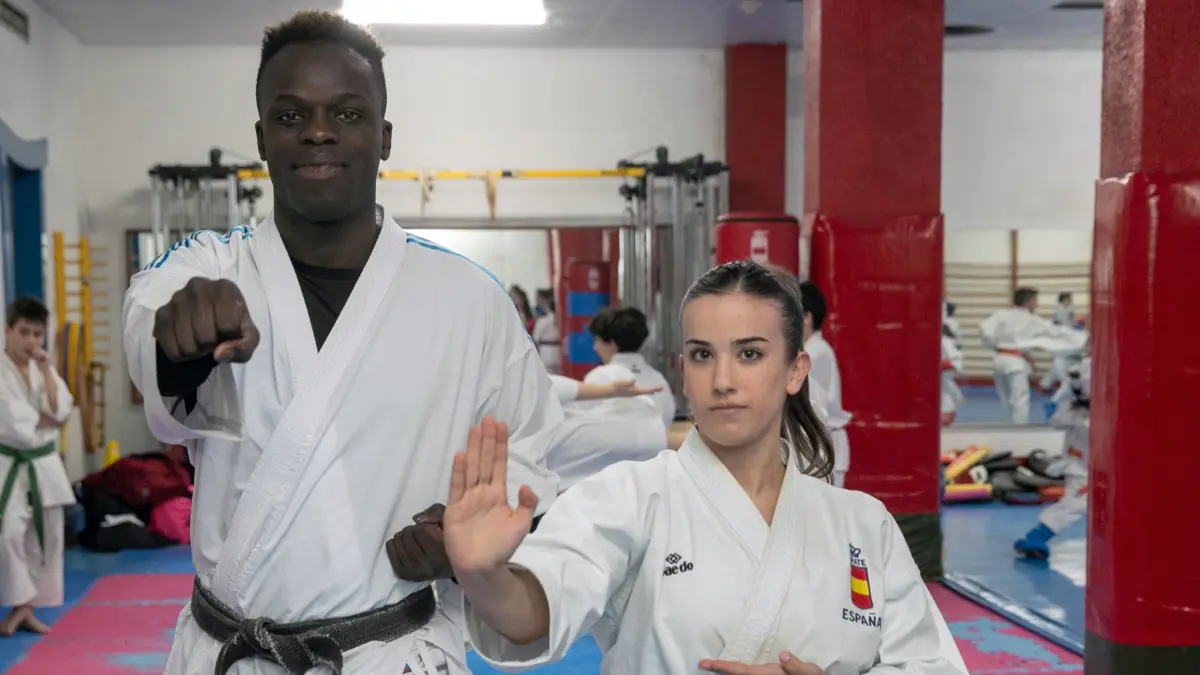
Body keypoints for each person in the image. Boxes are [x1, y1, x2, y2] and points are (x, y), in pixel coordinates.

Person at [122, 12, 561, 675]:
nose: (319, 131)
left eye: (348, 113)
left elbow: (530, 450)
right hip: (235, 653)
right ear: (262, 138)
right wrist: (174, 340)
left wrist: (461, 537)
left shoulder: (469, 299)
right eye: (291, 115)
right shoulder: (209, 268)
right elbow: (147, 314)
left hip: (392, 652)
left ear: (384, 137)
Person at [441, 261, 968, 675]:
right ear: (683, 373)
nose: (722, 380)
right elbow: (542, 602)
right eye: (701, 355)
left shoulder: (863, 523)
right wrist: (485, 576)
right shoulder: (633, 496)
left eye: (749, 354)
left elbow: (929, 663)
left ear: (795, 371)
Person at [0, 297, 73, 636]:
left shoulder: (42, 368)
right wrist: (45, 419)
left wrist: (46, 371)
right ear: (8, 330)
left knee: (46, 535)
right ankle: (18, 603)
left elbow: (60, 411)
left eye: (37, 334)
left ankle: (26, 609)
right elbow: (13, 423)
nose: (31, 341)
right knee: (9, 532)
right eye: (24, 332)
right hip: (9, 463)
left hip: (44, 463)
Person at [1014, 357, 1091, 559]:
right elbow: (1060, 418)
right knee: (1077, 503)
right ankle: (1038, 536)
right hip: (1081, 465)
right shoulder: (1076, 408)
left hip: (1110, 462)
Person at [979, 288, 1087, 424]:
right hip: (1015, 363)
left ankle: (1007, 428)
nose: (1037, 304)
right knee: (1019, 400)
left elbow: (984, 330)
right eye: (1035, 301)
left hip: (999, 359)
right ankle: (1019, 430)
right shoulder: (1030, 319)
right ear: (1027, 302)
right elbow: (1055, 332)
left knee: (1005, 400)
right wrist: (1082, 337)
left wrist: (996, 343)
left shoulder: (1000, 314)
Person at [797, 281, 852, 488]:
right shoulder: (812, 350)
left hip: (826, 445)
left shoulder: (815, 353)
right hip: (818, 445)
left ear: (806, 318)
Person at [585, 307, 676, 429]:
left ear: (611, 343)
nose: (595, 348)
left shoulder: (597, 378)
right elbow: (667, 419)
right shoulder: (659, 380)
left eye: (597, 341)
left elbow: (586, 424)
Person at [940, 324, 965, 427]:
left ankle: (957, 398)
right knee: (945, 390)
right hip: (952, 366)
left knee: (945, 387)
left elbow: (951, 356)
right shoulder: (950, 339)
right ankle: (947, 412)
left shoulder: (943, 340)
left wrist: (945, 363)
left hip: (948, 366)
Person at [531, 289, 561, 374]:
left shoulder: (542, 321)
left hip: (546, 353)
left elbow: (535, 338)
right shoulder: (561, 319)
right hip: (559, 352)